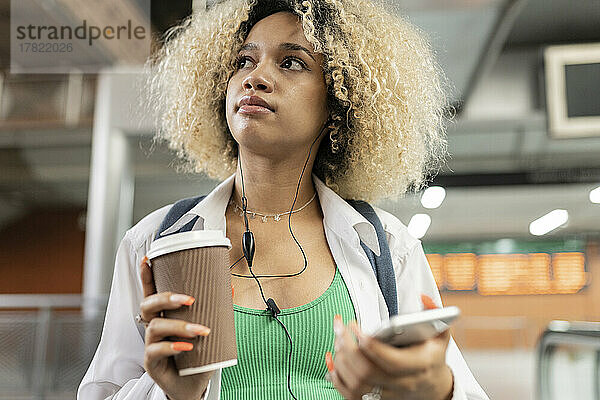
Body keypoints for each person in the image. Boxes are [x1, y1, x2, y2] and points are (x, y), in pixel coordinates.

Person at [78, 0, 490, 399]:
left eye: (292, 62)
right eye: (244, 60)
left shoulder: (387, 247)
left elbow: (459, 390)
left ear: (338, 102)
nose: (254, 78)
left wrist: (437, 391)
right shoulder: (155, 242)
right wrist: (174, 395)